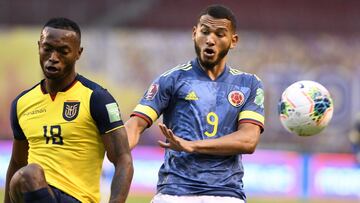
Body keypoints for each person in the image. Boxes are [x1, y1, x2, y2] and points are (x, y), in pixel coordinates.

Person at [125, 4, 265, 203]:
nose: (210, 40)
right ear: (194, 33)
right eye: (205, 32)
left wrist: (192, 146)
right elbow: (134, 126)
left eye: (219, 34)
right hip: (174, 193)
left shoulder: (248, 84)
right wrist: (114, 149)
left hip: (226, 194)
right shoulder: (171, 79)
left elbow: (248, 140)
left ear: (233, 41)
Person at [4, 18, 133, 203]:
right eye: (47, 49)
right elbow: (17, 163)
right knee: (28, 175)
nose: (53, 58)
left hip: (78, 199)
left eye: (63, 51)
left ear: (78, 53)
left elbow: (123, 160)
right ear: (39, 46)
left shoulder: (97, 98)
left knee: (29, 174)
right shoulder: (22, 103)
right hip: (37, 191)